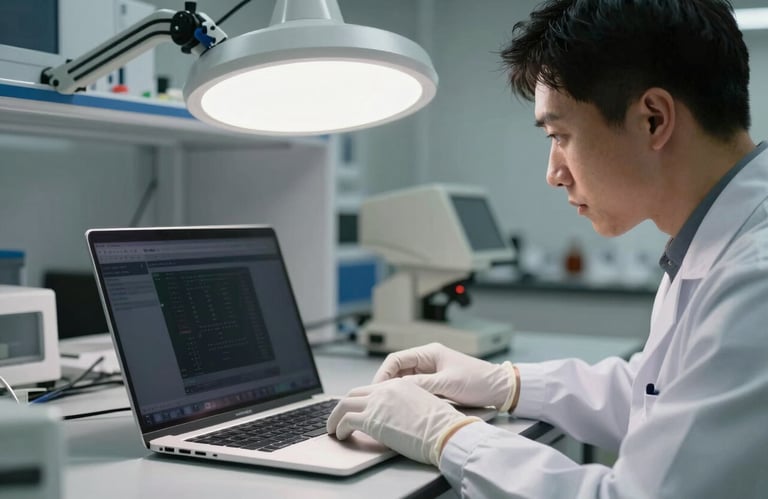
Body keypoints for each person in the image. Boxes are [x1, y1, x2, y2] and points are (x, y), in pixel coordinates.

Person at [326, 0, 768, 497]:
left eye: (561, 135)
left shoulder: (755, 282)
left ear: (653, 119)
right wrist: (507, 382)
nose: (553, 172)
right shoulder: (719, 242)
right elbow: (660, 394)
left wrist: (446, 435)